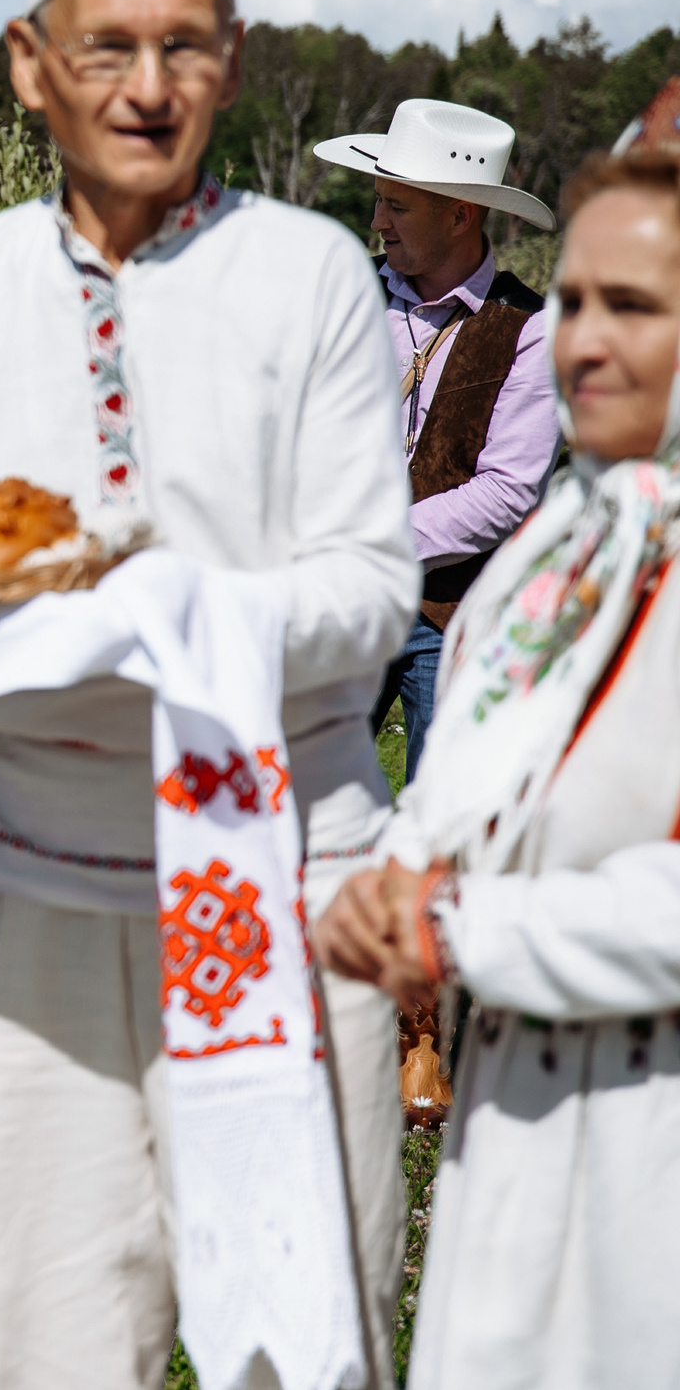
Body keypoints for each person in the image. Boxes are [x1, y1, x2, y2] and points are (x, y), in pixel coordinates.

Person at [0, 0, 416, 1387]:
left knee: (304, 1338)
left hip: (287, 872)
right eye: (107, 45)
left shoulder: (311, 273)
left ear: (232, 61)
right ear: (31, 65)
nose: (146, 84)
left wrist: (165, 611)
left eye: (184, 43)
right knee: (40, 1332)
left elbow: (372, 590)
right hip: (38, 884)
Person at [316, 142, 680, 1389]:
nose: (581, 338)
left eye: (631, 305)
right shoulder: (553, 563)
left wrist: (461, 928)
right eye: (573, 299)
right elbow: (467, 795)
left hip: (649, 1136)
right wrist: (388, 871)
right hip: (507, 1125)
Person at [314, 99, 559, 780]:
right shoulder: (343, 293)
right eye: (378, 200)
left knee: (436, 806)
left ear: (460, 212)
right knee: (298, 795)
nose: (376, 222)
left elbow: (507, 491)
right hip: (335, 594)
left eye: (397, 205)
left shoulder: (530, 330)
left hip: (447, 611)